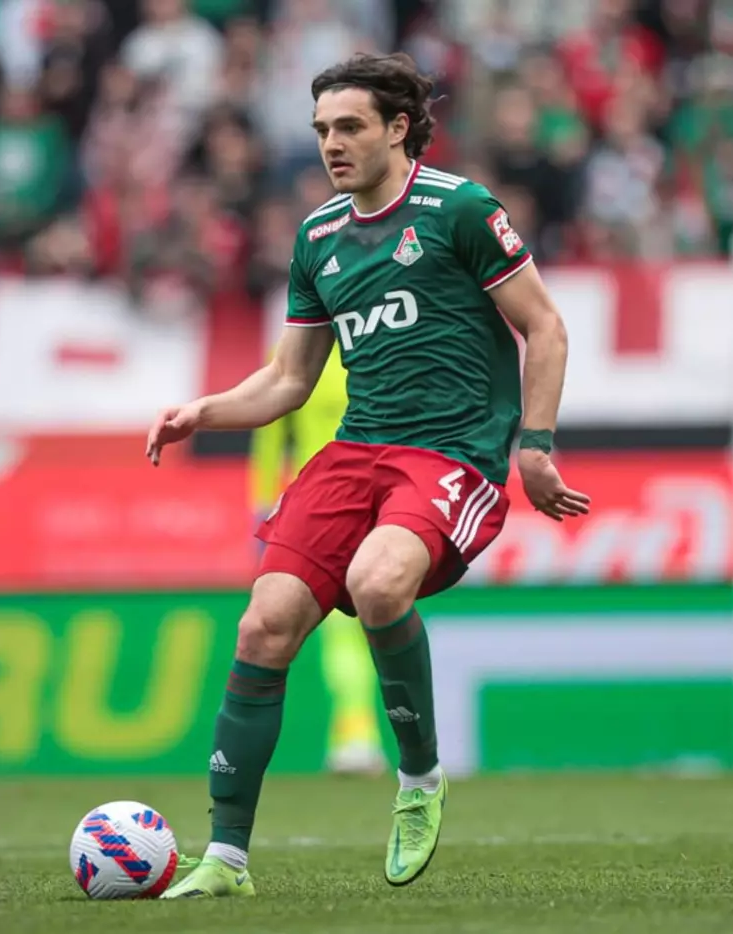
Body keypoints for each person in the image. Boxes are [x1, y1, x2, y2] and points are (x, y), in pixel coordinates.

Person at [146, 52, 589, 898]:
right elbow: (289, 379)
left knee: (379, 583)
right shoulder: (318, 238)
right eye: (321, 130)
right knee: (263, 626)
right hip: (356, 453)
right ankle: (226, 859)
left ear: (398, 128)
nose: (332, 144)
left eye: (349, 126)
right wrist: (204, 411)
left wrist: (534, 446)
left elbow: (546, 326)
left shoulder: (460, 209)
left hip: (451, 453)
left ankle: (419, 778)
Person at [249, 339, 388, 777]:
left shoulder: (293, 349)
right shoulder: (385, 340)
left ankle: (356, 736)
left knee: (342, 631)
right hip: (378, 504)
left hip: (323, 507)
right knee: (370, 626)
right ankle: (362, 735)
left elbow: (267, 440)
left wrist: (261, 510)